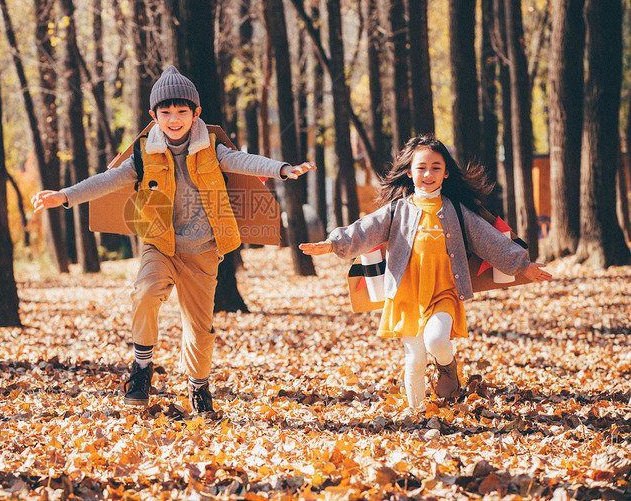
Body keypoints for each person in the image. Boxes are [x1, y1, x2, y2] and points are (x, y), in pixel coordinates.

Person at [31, 65, 314, 415]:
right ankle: (142, 366)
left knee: (200, 328)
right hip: (160, 244)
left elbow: (243, 161)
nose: (175, 119)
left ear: (195, 113)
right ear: (154, 116)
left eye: (182, 112)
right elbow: (108, 181)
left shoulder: (211, 146)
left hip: (204, 251)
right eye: (166, 113)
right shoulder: (143, 153)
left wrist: (282, 169)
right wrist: (64, 195)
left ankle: (198, 387)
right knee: (146, 293)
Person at [299, 135, 552, 411]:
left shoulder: (457, 210)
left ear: (445, 172)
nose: (428, 174)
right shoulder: (397, 210)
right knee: (415, 358)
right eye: (421, 167)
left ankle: (448, 366)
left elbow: (489, 240)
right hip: (407, 294)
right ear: (409, 172)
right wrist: (332, 243)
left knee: (436, 340)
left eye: (435, 167)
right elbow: (364, 229)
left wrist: (523, 265)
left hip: (444, 291)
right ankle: (417, 415)